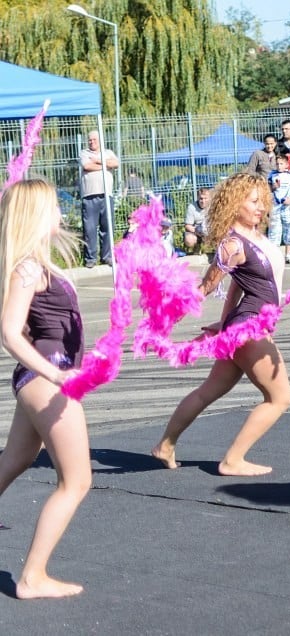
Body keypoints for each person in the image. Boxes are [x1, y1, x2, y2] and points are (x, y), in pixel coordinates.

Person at [152, 173, 290, 476]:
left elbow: (237, 287)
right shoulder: (232, 244)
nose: (260, 208)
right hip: (251, 328)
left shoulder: (257, 236)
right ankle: (233, 460)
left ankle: (165, 445)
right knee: (280, 397)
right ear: (233, 203)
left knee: (209, 391)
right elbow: (204, 287)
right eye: (253, 201)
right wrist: (164, 322)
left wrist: (224, 322)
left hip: (241, 325)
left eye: (262, 201)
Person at [0, 179, 91, 599]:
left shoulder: (37, 263)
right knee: (76, 481)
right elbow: (8, 332)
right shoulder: (28, 268)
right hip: (46, 380)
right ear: (37, 214)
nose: (61, 212)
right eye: (54, 205)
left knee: (15, 460)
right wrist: (55, 375)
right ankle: (33, 577)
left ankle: (34, 576)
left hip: (41, 379)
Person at [78, 130, 119, 268]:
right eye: (90, 140)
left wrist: (98, 160)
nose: (92, 142)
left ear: (100, 140)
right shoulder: (84, 153)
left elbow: (115, 163)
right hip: (89, 196)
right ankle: (90, 259)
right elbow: (87, 166)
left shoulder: (108, 153)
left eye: (94, 140)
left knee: (107, 227)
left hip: (106, 195)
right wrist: (104, 166)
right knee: (90, 228)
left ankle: (107, 256)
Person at [267, 152, 290, 264]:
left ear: (287, 164)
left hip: (289, 206)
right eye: (277, 164)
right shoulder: (271, 175)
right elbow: (267, 190)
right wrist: (273, 187)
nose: (279, 166)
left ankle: (288, 254)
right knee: (274, 230)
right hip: (275, 206)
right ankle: (275, 257)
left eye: (281, 164)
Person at [184, 187, 211, 255]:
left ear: (210, 198)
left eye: (205, 198)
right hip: (196, 230)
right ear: (198, 198)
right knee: (189, 240)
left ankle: (218, 252)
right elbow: (187, 225)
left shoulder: (213, 206)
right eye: (201, 198)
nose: (203, 201)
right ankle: (196, 247)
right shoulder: (192, 207)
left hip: (210, 229)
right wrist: (197, 231)